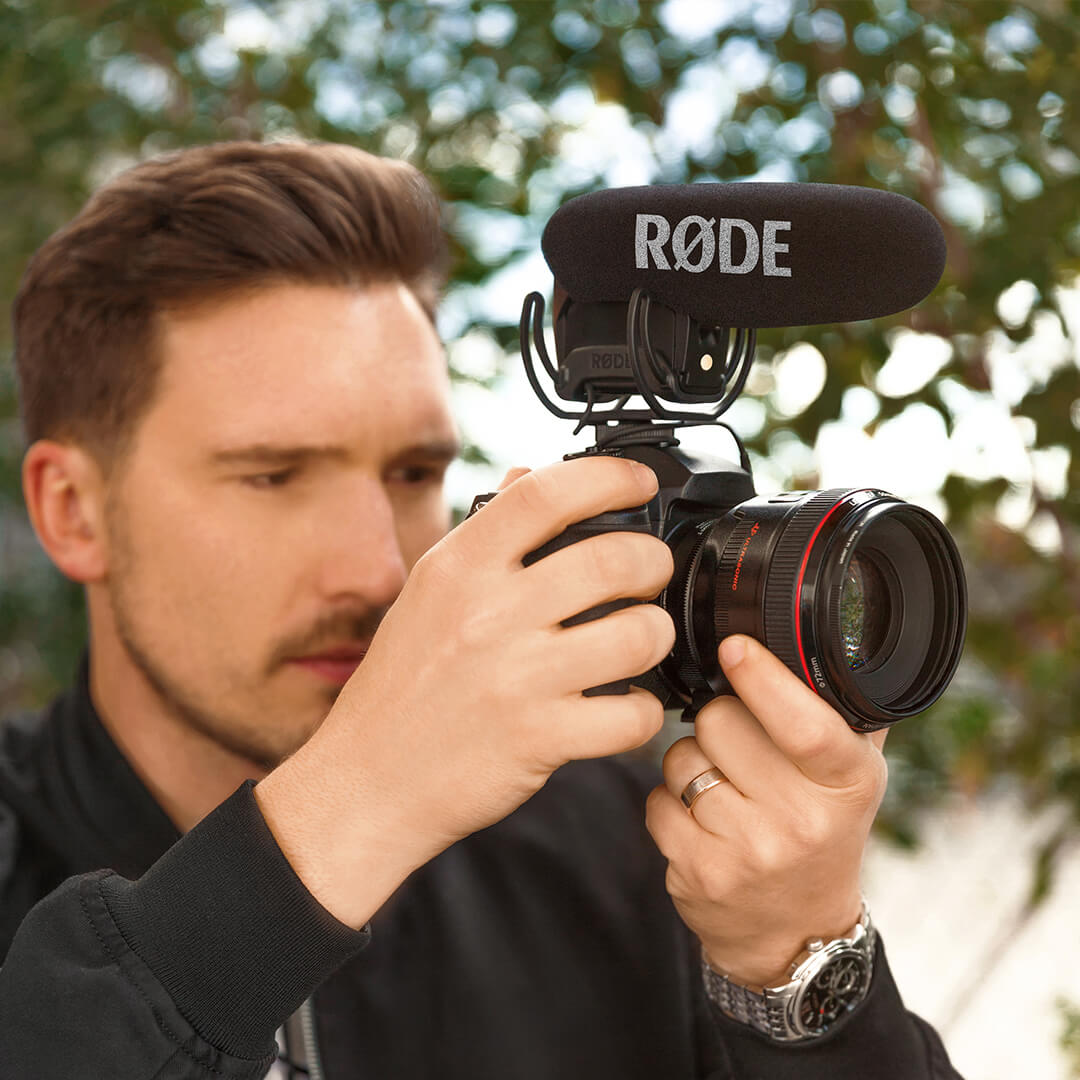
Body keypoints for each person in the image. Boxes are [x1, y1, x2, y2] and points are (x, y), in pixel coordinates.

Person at [0, 139, 962, 1079]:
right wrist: (355, 805)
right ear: (71, 511)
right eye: (274, 475)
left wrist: (797, 968)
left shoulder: (631, 846)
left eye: (416, 472)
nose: (383, 568)